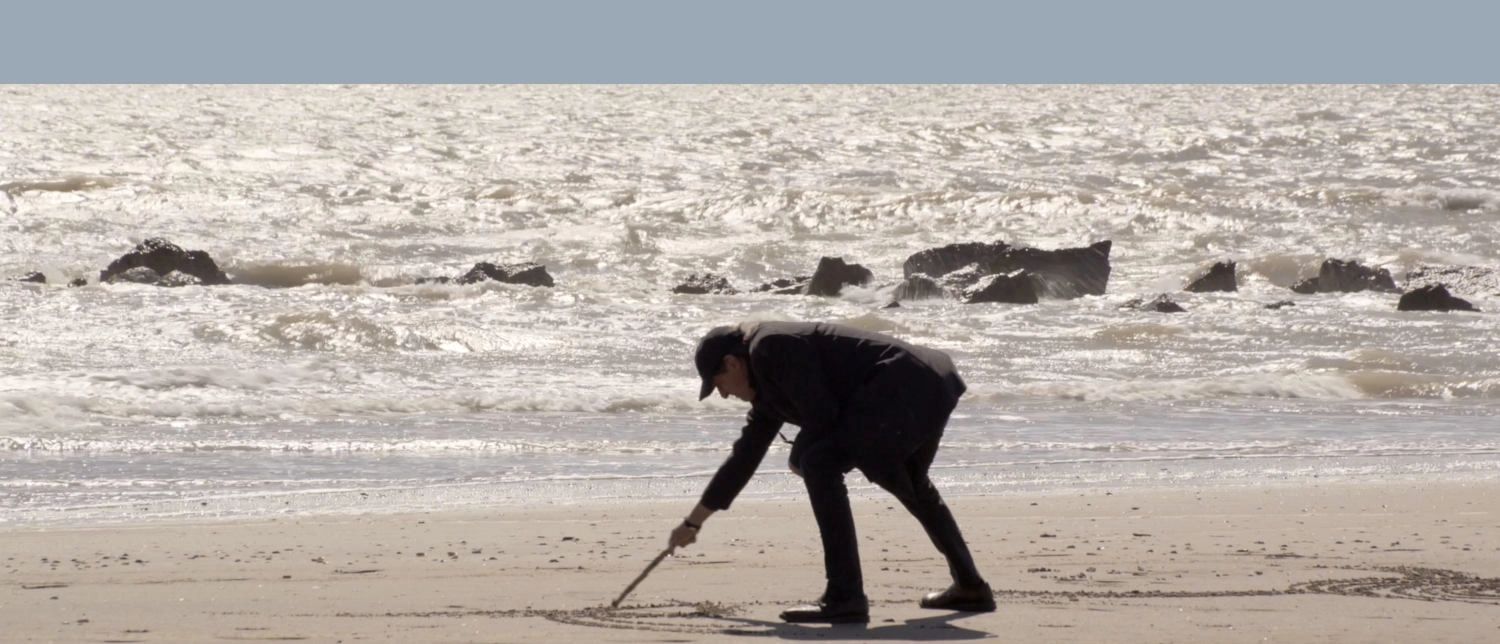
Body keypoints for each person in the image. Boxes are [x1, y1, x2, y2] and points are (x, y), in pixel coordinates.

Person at [667, 320, 995, 623]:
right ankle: (970, 587)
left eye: (718, 384)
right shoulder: (767, 383)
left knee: (819, 463)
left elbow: (822, 414)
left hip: (904, 381)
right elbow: (745, 458)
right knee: (906, 480)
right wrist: (693, 521)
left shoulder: (770, 348)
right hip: (929, 379)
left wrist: (799, 459)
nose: (723, 394)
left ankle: (844, 596)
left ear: (732, 363)